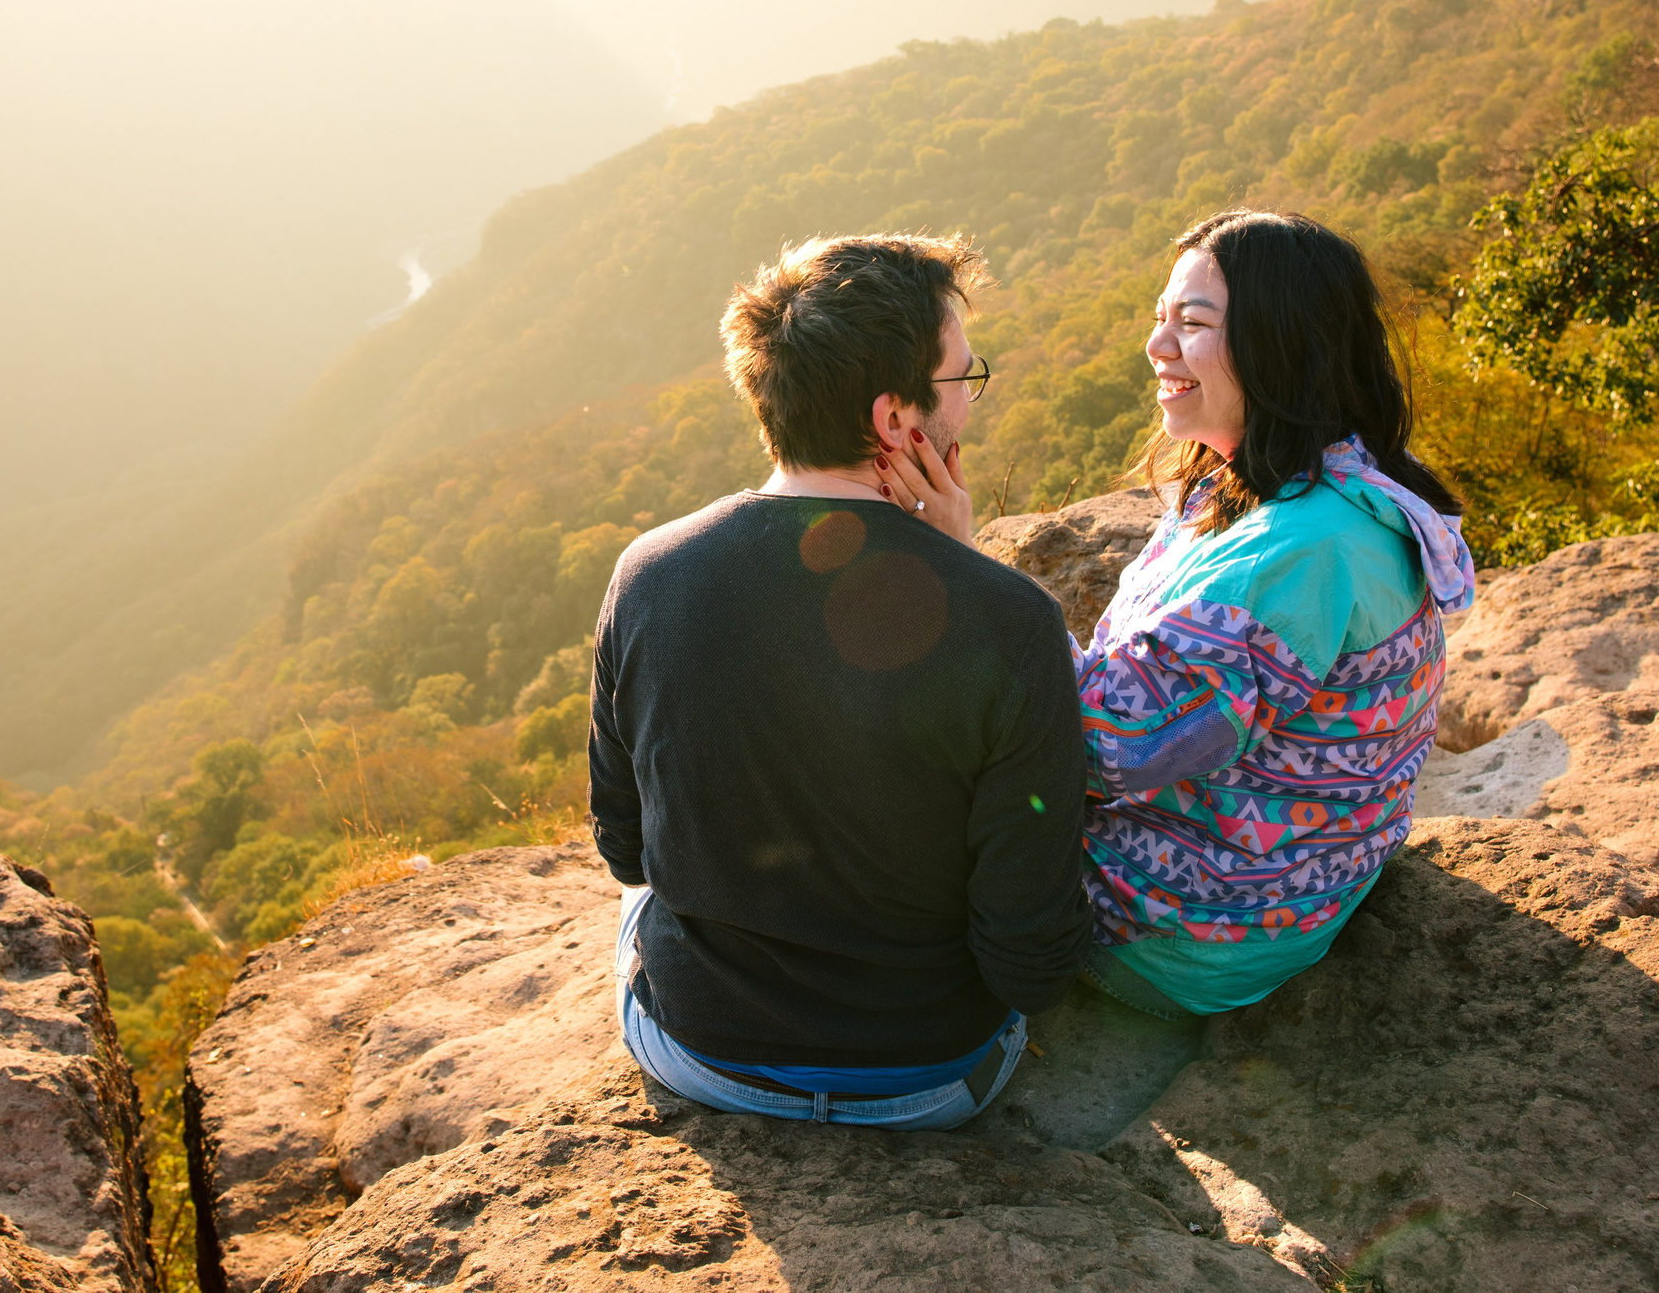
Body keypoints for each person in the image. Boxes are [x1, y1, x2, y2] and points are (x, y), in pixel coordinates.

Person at [894, 209, 1473, 1020]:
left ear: (1283, 343)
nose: (1156, 346)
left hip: (1193, 929)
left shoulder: (1299, 556)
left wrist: (958, 572)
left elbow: (1094, 748)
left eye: (1191, 323)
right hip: (1276, 885)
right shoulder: (1308, 482)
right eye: (1160, 318)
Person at [590, 231, 1088, 1128]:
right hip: (929, 1080)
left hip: (700, 1054)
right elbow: (1031, 965)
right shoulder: (1012, 625)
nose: (968, 406)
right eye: (962, 382)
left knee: (635, 914)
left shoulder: (649, 574)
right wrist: (961, 578)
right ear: (898, 423)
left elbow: (628, 853)